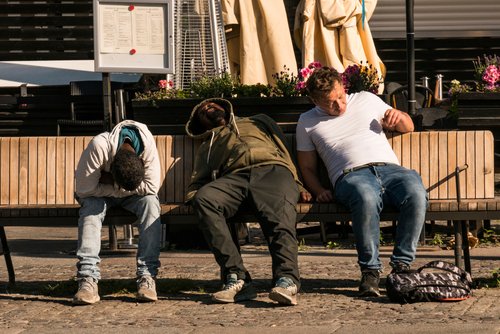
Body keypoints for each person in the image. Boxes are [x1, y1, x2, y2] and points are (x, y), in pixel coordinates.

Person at [296, 67, 428, 297]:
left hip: (390, 169)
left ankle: (402, 267)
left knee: (416, 192)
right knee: (365, 198)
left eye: (340, 96)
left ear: (343, 86)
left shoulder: (366, 99)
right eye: (330, 102)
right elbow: (306, 167)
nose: (339, 105)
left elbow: (409, 126)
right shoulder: (307, 121)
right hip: (351, 175)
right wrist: (318, 190)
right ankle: (370, 271)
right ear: (313, 100)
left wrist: (399, 118)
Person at [185, 98, 311, 306]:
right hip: (234, 177)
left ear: (224, 108)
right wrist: (195, 197)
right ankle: (237, 277)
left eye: (211, 106)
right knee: (205, 200)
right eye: (202, 112)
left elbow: (284, 148)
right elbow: (199, 179)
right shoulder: (209, 144)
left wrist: (298, 183)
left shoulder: (259, 121)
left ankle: (287, 279)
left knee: (279, 218)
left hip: (273, 170)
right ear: (202, 126)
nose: (208, 108)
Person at [73, 120, 162, 305]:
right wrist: (118, 187)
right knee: (91, 208)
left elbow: (152, 187)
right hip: (98, 195)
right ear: (112, 167)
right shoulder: (99, 145)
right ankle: (87, 278)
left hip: (111, 189)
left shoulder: (147, 147)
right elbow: (83, 190)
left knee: (151, 204)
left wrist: (111, 184)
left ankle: (147, 277)